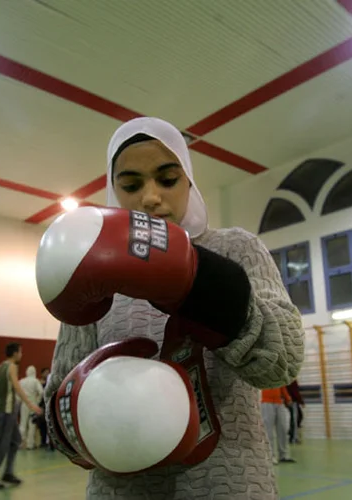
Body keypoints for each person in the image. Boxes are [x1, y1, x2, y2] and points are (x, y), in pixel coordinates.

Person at [40, 116, 305, 499]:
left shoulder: (235, 249)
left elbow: (284, 359)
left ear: (189, 182)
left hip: (228, 484)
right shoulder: (91, 270)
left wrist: (200, 282)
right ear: (114, 190)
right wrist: (91, 414)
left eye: (167, 179)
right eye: (131, 184)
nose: (150, 197)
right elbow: (57, 406)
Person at [0, 342, 44, 491]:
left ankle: (8, 473)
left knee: (15, 440)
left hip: (3, 411)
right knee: (0, 445)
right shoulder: (12, 367)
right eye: (20, 352)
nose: (21, 355)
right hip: (6, 412)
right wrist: (32, 406)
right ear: (15, 353)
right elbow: (17, 387)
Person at [261, 386, 296, 464]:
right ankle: (270, 456)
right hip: (266, 402)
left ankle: (283, 455)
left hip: (279, 401)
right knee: (268, 431)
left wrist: (287, 398)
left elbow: (282, 385)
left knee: (283, 429)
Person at [18, 365, 44, 450]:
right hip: (33, 404)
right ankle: (30, 444)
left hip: (24, 404)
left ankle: (20, 443)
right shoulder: (35, 381)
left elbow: (17, 393)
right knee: (32, 424)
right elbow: (41, 392)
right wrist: (37, 401)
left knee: (22, 423)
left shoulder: (21, 381)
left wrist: (20, 401)